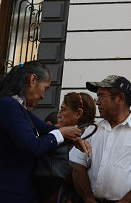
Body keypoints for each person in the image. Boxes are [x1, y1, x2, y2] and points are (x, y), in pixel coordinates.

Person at [0, 61, 89, 202]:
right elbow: (32, 145)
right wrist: (62, 134)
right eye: (45, 88)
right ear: (33, 79)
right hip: (11, 194)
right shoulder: (8, 105)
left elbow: (45, 128)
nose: (42, 96)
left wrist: (74, 137)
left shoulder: (18, 107)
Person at [70, 75, 131, 203]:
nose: (97, 102)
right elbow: (78, 165)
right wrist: (88, 199)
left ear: (120, 98)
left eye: (101, 96)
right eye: (97, 97)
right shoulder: (93, 130)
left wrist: (127, 200)